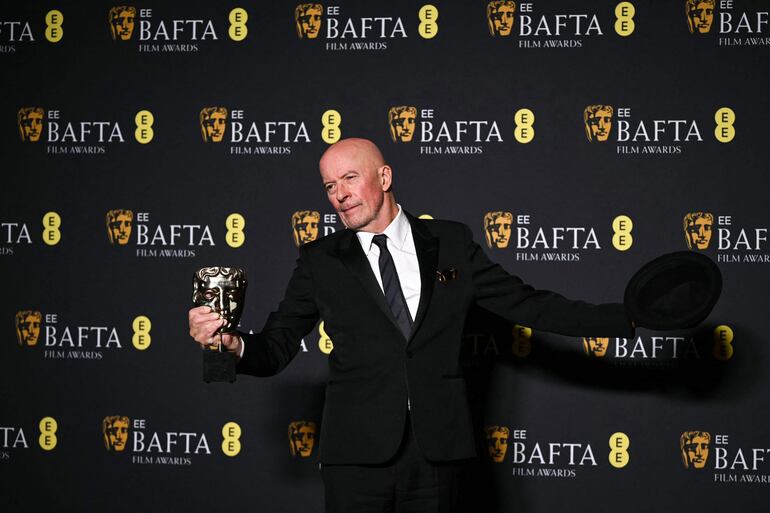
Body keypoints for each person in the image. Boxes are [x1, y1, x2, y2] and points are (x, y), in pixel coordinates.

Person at [188, 138, 634, 512]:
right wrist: (228, 345)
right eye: (328, 185)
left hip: (438, 451)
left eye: (349, 178)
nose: (339, 194)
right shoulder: (320, 261)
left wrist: (627, 316)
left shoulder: (452, 242)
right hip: (356, 459)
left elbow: (529, 304)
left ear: (383, 177)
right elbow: (277, 345)